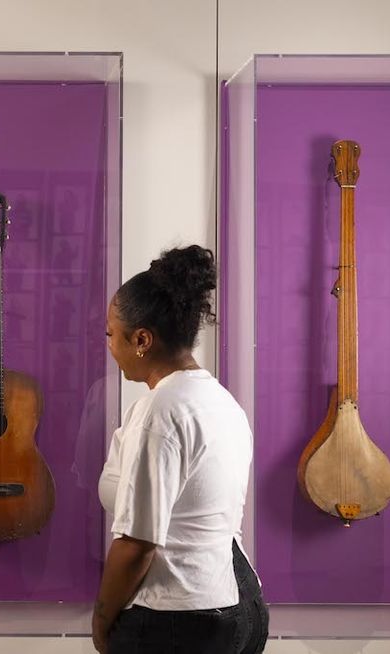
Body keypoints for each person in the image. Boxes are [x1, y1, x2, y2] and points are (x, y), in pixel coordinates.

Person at [93, 245, 268, 654]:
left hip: (177, 620)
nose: (108, 344)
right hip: (237, 606)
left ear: (141, 339)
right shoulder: (222, 402)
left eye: (109, 333)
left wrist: (101, 622)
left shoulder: (162, 411)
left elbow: (137, 543)